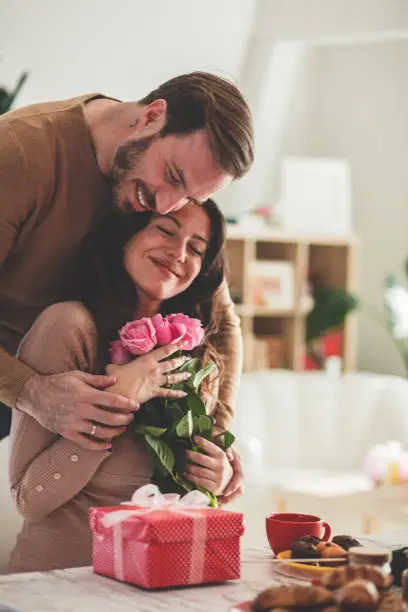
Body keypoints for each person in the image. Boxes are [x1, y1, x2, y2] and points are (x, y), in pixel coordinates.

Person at [0, 71, 253, 498]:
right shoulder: (19, 153)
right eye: (171, 177)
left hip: (73, 386)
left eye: (190, 198)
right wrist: (31, 392)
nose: (166, 206)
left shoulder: (167, 176)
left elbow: (223, 322)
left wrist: (214, 439)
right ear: (152, 116)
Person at [8, 199, 235, 572]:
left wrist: (219, 477)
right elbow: (29, 499)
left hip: (158, 584)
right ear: (125, 236)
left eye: (196, 248)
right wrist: (117, 400)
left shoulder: (193, 351)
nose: (179, 253)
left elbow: (190, 496)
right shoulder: (67, 326)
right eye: (165, 229)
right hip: (58, 585)